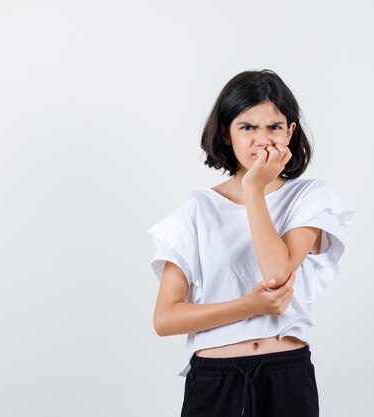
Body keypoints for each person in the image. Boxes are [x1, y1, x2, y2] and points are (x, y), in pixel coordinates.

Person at [146, 69, 355, 417]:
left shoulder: (310, 197)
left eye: (274, 127)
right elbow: (165, 318)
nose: (262, 139)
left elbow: (276, 271)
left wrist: (254, 189)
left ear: (290, 131)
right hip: (215, 381)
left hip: (285, 374)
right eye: (247, 127)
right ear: (227, 134)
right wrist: (249, 306)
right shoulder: (196, 208)